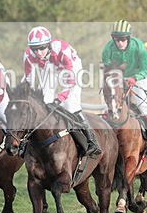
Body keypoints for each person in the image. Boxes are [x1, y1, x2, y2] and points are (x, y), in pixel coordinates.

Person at [23, 26, 102, 157]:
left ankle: (91, 141)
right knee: (45, 102)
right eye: (34, 49)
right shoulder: (28, 55)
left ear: (49, 45)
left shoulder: (62, 50)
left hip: (71, 68)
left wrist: (59, 98)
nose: (38, 53)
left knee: (70, 106)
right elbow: (28, 79)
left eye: (42, 48)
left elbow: (70, 81)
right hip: (50, 68)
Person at [100, 20, 147, 154]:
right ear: (113, 38)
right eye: (117, 39)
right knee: (108, 108)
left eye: (123, 39)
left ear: (128, 37)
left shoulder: (138, 46)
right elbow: (107, 67)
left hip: (138, 77)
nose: (120, 42)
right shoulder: (108, 48)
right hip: (118, 78)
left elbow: (146, 68)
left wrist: (135, 78)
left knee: (143, 107)